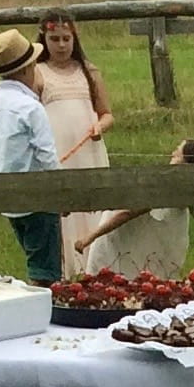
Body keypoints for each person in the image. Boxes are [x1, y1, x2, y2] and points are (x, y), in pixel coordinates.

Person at [73, 140, 194, 281]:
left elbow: (128, 212)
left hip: (122, 249)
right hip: (143, 249)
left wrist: (90, 237)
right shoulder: (184, 189)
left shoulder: (164, 186)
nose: (172, 153)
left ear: (187, 165)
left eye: (178, 153)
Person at [0, 29, 62, 285]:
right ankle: (43, 305)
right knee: (45, 271)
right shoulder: (31, 108)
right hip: (39, 199)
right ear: (28, 69)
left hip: (8, 198)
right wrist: (63, 191)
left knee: (34, 257)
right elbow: (47, 155)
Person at [32, 14, 113, 267]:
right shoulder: (37, 73)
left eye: (66, 39)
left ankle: (96, 265)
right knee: (64, 209)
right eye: (54, 39)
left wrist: (99, 126)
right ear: (44, 39)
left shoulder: (88, 71)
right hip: (58, 152)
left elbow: (107, 114)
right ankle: (66, 266)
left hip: (88, 152)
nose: (61, 45)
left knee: (92, 206)